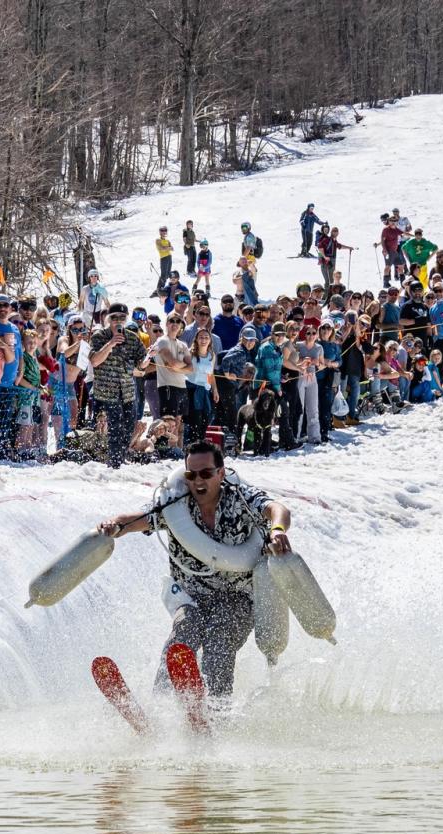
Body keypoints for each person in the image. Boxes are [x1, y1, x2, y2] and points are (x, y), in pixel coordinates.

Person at [97, 441, 294, 697]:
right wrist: (113, 525)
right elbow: (136, 519)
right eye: (191, 474)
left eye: (206, 473)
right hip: (192, 595)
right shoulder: (176, 506)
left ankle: (217, 709)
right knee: (182, 637)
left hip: (238, 596)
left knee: (219, 638)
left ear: (220, 474)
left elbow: (278, 509)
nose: (198, 481)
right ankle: (162, 706)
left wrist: (277, 531)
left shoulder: (240, 498)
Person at [89, 303, 145, 468]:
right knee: (115, 427)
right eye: (114, 318)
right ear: (108, 319)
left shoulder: (133, 338)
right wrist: (111, 343)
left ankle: (120, 457)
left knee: (128, 426)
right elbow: (94, 360)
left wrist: (147, 359)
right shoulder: (99, 336)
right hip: (107, 391)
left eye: (122, 317)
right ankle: (114, 462)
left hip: (127, 390)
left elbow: (141, 364)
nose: (118, 321)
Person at [154, 226, 174, 295]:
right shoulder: (158, 240)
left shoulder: (167, 240)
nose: (164, 232)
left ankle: (161, 288)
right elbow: (161, 249)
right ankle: (158, 289)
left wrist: (166, 248)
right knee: (163, 274)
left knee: (167, 274)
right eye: (162, 231)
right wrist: (168, 247)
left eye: (165, 230)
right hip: (163, 258)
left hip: (169, 257)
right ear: (160, 232)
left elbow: (172, 248)